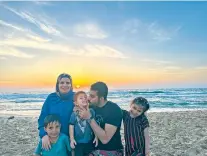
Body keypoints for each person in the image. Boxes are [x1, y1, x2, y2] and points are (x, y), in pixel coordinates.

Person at [78, 82, 123, 156]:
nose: (88, 98)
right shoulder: (92, 107)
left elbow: (105, 139)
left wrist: (89, 118)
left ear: (101, 98)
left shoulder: (114, 110)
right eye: (89, 95)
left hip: (111, 151)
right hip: (93, 149)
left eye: (92, 96)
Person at [37, 73, 74, 155]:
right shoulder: (51, 98)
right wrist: (43, 135)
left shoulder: (76, 97)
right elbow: (42, 117)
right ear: (58, 85)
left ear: (71, 85)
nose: (65, 85)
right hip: (53, 137)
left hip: (72, 139)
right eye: (62, 82)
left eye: (68, 83)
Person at [69, 91, 98, 156]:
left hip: (89, 142)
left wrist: (96, 137)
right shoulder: (74, 114)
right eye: (81, 98)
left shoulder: (91, 111)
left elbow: (95, 126)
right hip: (78, 143)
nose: (84, 99)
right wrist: (72, 139)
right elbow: (71, 126)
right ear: (76, 103)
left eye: (85, 97)